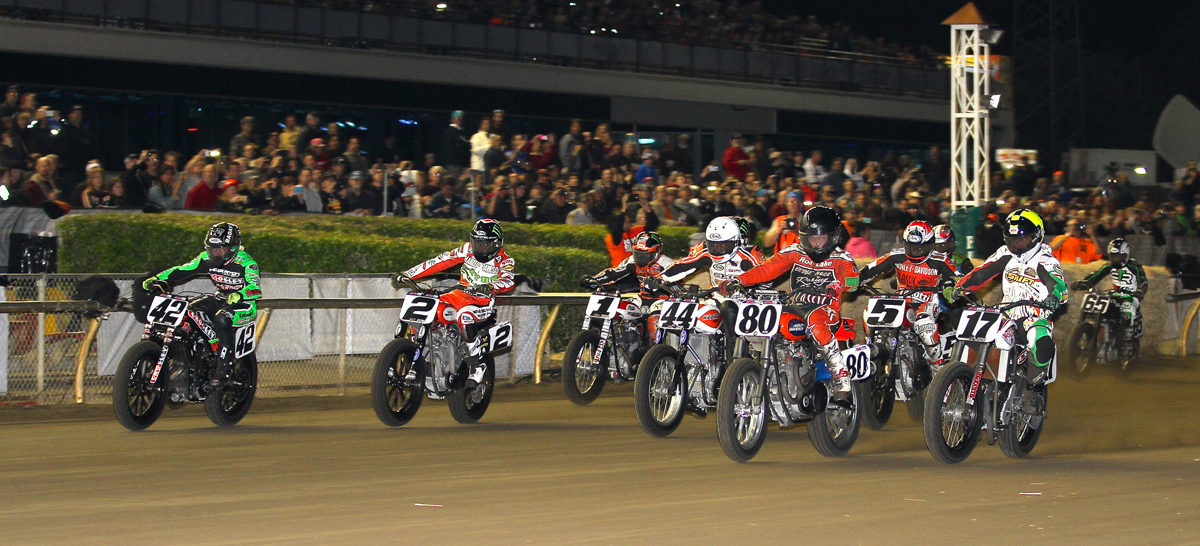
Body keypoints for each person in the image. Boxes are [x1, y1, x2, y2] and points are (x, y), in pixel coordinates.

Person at [724, 206, 859, 401]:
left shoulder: (841, 258)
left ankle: (840, 374)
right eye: (813, 238)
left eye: (823, 238)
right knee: (762, 318)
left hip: (826, 309)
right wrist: (739, 281)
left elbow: (855, 281)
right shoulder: (795, 252)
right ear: (804, 236)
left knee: (815, 321)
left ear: (834, 237)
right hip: (795, 305)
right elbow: (767, 269)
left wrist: (840, 284)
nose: (818, 243)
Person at [951, 209, 1068, 384]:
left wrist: (1055, 296)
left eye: (1022, 239)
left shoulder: (1046, 260)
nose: (1016, 245)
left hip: (1035, 315)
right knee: (973, 331)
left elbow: (1057, 285)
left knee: (1039, 338)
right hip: (1006, 313)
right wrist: (960, 287)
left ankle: (1033, 388)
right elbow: (981, 273)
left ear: (1036, 236)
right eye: (1012, 240)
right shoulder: (1005, 253)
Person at [392, 219, 515, 386]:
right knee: (426, 302)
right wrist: (408, 274)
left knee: (464, 316)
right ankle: (410, 350)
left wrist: (490, 286)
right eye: (477, 242)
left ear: (497, 244)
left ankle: (477, 365)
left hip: (481, 302)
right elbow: (439, 261)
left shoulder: (506, 261)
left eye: (485, 244)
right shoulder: (466, 249)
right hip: (457, 295)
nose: (480, 247)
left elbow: (508, 281)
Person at [142, 223, 261, 386]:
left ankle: (223, 368)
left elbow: (255, 289)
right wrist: (158, 279)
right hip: (220, 299)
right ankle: (195, 353)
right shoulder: (205, 258)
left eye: (220, 249)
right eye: (212, 249)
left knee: (222, 318)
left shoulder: (247, 263)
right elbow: (182, 270)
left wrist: (240, 294)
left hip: (244, 306)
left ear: (233, 248)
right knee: (190, 309)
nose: (215, 253)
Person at [858, 221, 960, 365]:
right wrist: (854, 280)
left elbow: (958, 277)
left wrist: (950, 285)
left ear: (930, 244)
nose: (915, 250)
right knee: (872, 313)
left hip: (927, 303)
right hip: (902, 301)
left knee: (924, 325)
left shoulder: (940, 260)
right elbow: (871, 268)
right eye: (911, 246)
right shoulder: (896, 255)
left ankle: (938, 366)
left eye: (920, 247)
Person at [1071, 238, 1149, 358]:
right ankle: (1094, 335)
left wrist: (1140, 291)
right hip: (1115, 295)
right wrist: (1084, 283)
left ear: (1125, 255)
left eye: (1118, 256)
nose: (1115, 259)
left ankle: (1126, 342)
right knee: (1100, 308)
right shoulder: (1108, 266)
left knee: (1127, 309)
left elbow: (1143, 281)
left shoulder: (1134, 266)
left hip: (1131, 297)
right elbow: (1096, 275)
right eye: (1113, 256)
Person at [582, 231, 674, 300]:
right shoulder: (632, 260)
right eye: (637, 253)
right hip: (641, 296)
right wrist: (594, 279)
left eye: (645, 254)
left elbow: (680, 286)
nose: (640, 257)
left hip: (663, 299)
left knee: (653, 319)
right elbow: (614, 273)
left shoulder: (667, 264)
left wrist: (661, 283)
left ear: (657, 251)